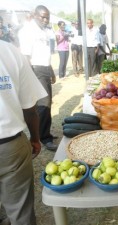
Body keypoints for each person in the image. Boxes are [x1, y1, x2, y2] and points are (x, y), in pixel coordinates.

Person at [0, 40, 48, 225]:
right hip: (10, 147)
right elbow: (29, 108)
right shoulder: (9, 51)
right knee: (21, 212)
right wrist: (35, 138)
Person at [18, 5, 58, 151]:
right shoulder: (27, 31)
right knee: (43, 103)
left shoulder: (44, 31)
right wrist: (29, 78)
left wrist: (51, 71)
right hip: (35, 69)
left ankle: (45, 132)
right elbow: (26, 57)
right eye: (42, 16)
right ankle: (44, 138)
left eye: (47, 17)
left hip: (45, 68)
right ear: (34, 15)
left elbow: (45, 54)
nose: (45, 19)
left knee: (48, 102)